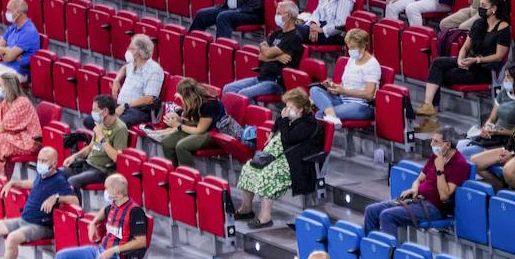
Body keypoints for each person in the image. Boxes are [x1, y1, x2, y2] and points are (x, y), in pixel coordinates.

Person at [234, 88, 322, 229]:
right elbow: (279, 120)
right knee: (249, 167)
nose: (286, 110)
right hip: (279, 156)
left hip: (295, 162)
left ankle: (265, 217)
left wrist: (284, 120)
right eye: (286, 106)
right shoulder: (291, 118)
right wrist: (273, 130)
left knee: (268, 174)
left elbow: (288, 138)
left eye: (290, 107)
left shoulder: (308, 123)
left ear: (300, 109)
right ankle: (246, 209)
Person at [363, 129, 470, 233]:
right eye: (432, 140)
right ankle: (370, 248)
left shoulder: (460, 165)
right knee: (371, 210)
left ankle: (390, 250)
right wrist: (414, 189)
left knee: (387, 216)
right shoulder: (436, 156)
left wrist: (440, 171)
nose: (432, 144)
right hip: (417, 199)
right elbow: (419, 180)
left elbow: (444, 196)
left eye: (436, 141)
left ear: (447, 145)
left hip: (435, 208)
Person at [0, 147, 77, 259]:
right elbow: (33, 183)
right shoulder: (42, 174)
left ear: (54, 164)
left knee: (12, 238)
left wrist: (56, 198)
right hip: (24, 220)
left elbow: (74, 200)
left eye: (44, 161)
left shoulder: (59, 180)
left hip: (41, 226)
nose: (40, 163)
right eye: (39, 160)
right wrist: (14, 183)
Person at [309, 28, 378, 124]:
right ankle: (332, 116)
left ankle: (330, 116)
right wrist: (334, 86)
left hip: (361, 105)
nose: (350, 51)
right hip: (342, 99)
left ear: (363, 46)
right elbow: (345, 84)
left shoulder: (372, 64)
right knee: (314, 90)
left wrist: (344, 91)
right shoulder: (351, 60)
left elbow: (369, 94)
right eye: (349, 48)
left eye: (353, 48)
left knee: (320, 114)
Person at [61, 94, 128, 190]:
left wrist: (102, 138)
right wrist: (74, 156)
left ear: (105, 111)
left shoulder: (120, 128)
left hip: (102, 170)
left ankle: (74, 204)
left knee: (72, 181)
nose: (92, 113)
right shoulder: (100, 123)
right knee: (58, 174)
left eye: (95, 110)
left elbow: (117, 158)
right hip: (88, 164)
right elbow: (90, 148)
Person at [159, 79, 225, 165]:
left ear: (187, 96)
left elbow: (200, 130)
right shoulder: (193, 102)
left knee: (182, 146)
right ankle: (174, 173)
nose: (178, 96)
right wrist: (180, 119)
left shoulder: (208, 104)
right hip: (200, 129)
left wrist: (178, 125)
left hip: (214, 133)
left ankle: (188, 176)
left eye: (180, 95)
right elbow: (194, 122)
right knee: (166, 142)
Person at [106, 36, 164, 127]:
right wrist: (116, 80)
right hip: (121, 105)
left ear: (140, 52)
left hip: (137, 110)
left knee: (113, 123)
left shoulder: (154, 70)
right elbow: (125, 67)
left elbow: (149, 99)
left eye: (131, 49)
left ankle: (105, 140)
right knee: (93, 119)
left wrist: (125, 106)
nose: (128, 51)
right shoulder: (133, 63)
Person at [0, 0, 40, 89]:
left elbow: (9, 57)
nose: (6, 13)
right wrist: (9, 51)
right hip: (6, 65)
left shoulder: (29, 32)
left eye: (9, 10)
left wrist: (6, 53)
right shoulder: (12, 27)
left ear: (19, 13)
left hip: (21, 71)